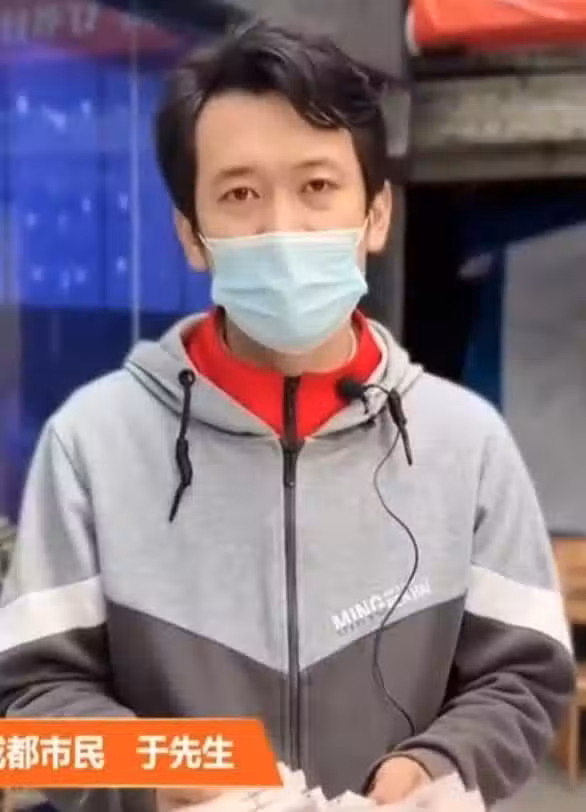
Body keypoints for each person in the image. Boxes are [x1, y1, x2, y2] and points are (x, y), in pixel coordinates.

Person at [0, 20, 574, 812]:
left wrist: (440, 766)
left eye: (317, 187)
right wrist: (162, 771)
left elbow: (526, 676)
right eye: (240, 194)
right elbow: (29, 712)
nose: (283, 229)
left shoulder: (467, 443)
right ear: (191, 235)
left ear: (376, 214)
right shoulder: (91, 444)